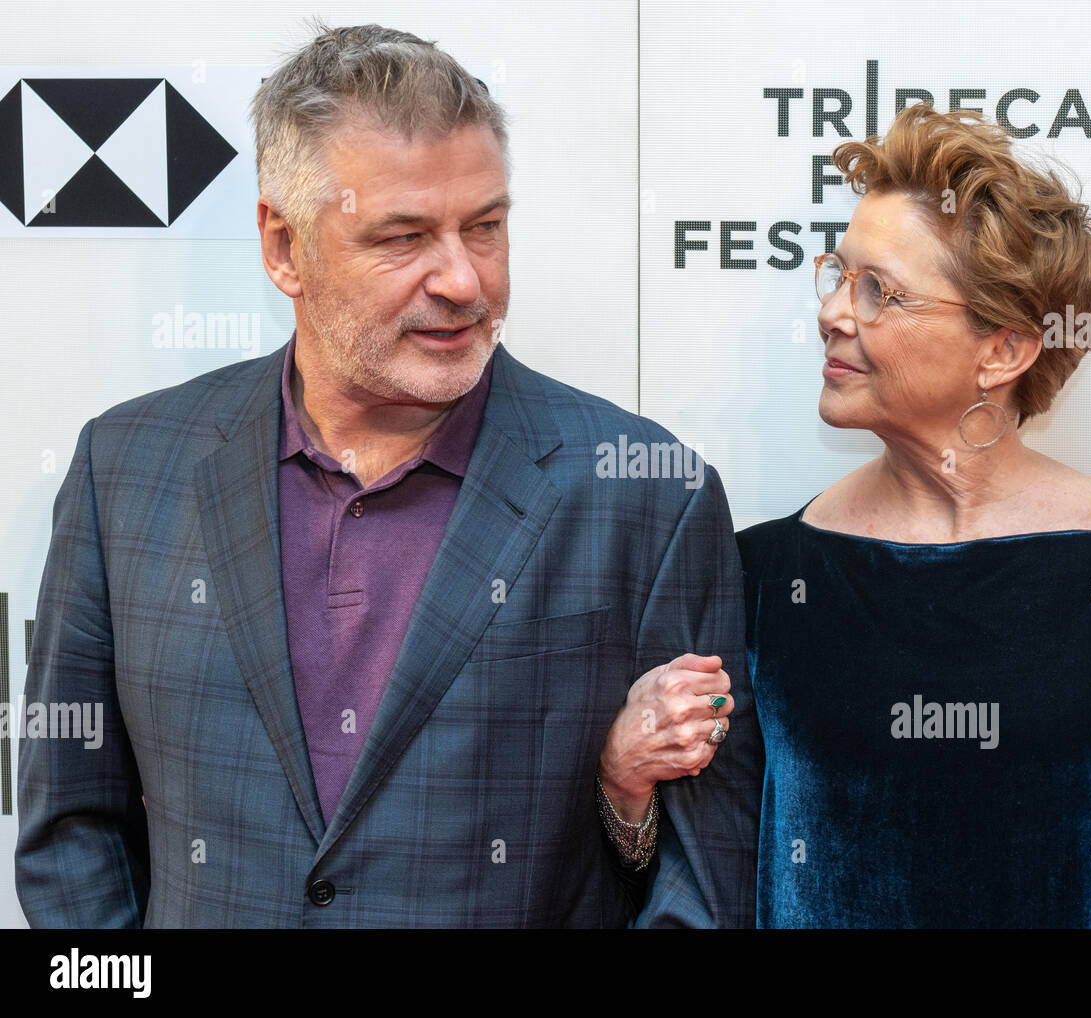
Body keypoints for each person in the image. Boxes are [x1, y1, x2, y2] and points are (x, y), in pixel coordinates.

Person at [16, 22, 760, 928]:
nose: (461, 279)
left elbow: (700, 882)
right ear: (284, 247)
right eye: (403, 237)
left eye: (484, 227)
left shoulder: (647, 495)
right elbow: (71, 837)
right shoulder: (125, 471)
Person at [736, 102, 1091, 928]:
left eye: (880, 292)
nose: (833, 311)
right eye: (836, 272)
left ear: (1002, 349)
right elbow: (700, 876)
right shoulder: (763, 578)